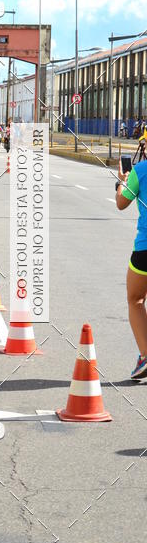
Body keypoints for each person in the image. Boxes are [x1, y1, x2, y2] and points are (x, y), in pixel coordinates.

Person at [116, 157, 147, 379]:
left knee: (135, 299)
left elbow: (121, 202)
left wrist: (122, 181)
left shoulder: (140, 170)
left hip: (145, 249)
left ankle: (146, 354)